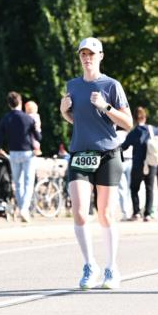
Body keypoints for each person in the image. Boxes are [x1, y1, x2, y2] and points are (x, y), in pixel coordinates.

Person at [60, 36, 132, 289]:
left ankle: (112, 268)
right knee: (80, 212)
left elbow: (128, 123)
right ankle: (90, 265)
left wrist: (106, 107)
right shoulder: (72, 85)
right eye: (83, 54)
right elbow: (79, 120)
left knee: (105, 214)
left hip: (108, 153)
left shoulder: (112, 85)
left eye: (91, 54)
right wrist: (64, 112)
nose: (87, 58)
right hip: (80, 153)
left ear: (100, 56)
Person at [0, 91, 42, 222]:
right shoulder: (28, 118)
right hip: (28, 153)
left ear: (9, 104)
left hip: (14, 153)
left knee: (18, 183)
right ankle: (24, 209)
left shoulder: (6, 118)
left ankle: (22, 208)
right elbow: (38, 137)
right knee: (28, 182)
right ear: (20, 102)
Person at [121, 107, 156, 221]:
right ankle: (148, 214)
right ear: (145, 118)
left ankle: (136, 212)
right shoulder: (153, 130)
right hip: (151, 163)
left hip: (138, 164)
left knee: (134, 188)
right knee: (149, 189)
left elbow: (124, 147)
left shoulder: (133, 133)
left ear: (135, 119)